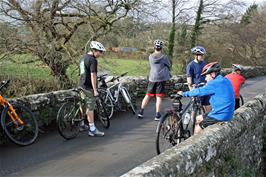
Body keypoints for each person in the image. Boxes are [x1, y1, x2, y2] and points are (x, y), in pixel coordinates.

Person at [178, 62, 235, 134]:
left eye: (206, 76)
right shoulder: (225, 80)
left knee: (198, 126)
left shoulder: (214, 83)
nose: (205, 78)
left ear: (213, 74)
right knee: (198, 118)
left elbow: (199, 91)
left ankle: (196, 143)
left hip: (220, 115)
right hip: (227, 113)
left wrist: (183, 93)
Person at [138, 39, 171, 121]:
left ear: (154, 47)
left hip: (152, 78)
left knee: (148, 95)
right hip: (161, 79)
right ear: (161, 48)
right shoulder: (164, 57)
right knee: (159, 97)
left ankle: (141, 112)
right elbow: (169, 65)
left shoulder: (150, 57)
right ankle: (157, 115)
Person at [79, 41, 105, 136]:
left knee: (83, 105)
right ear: (94, 50)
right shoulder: (93, 60)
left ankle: (82, 124)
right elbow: (93, 75)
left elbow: (82, 72)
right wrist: (95, 90)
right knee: (90, 107)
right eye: (100, 52)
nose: (101, 54)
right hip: (88, 87)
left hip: (81, 85)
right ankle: (92, 129)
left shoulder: (83, 58)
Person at [186, 46, 211, 112]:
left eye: (202, 55)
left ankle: (209, 121)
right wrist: (192, 91)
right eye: (201, 55)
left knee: (208, 105)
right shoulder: (191, 65)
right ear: (196, 56)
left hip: (205, 87)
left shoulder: (204, 64)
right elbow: (189, 79)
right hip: (197, 89)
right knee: (196, 108)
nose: (202, 57)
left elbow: (208, 75)